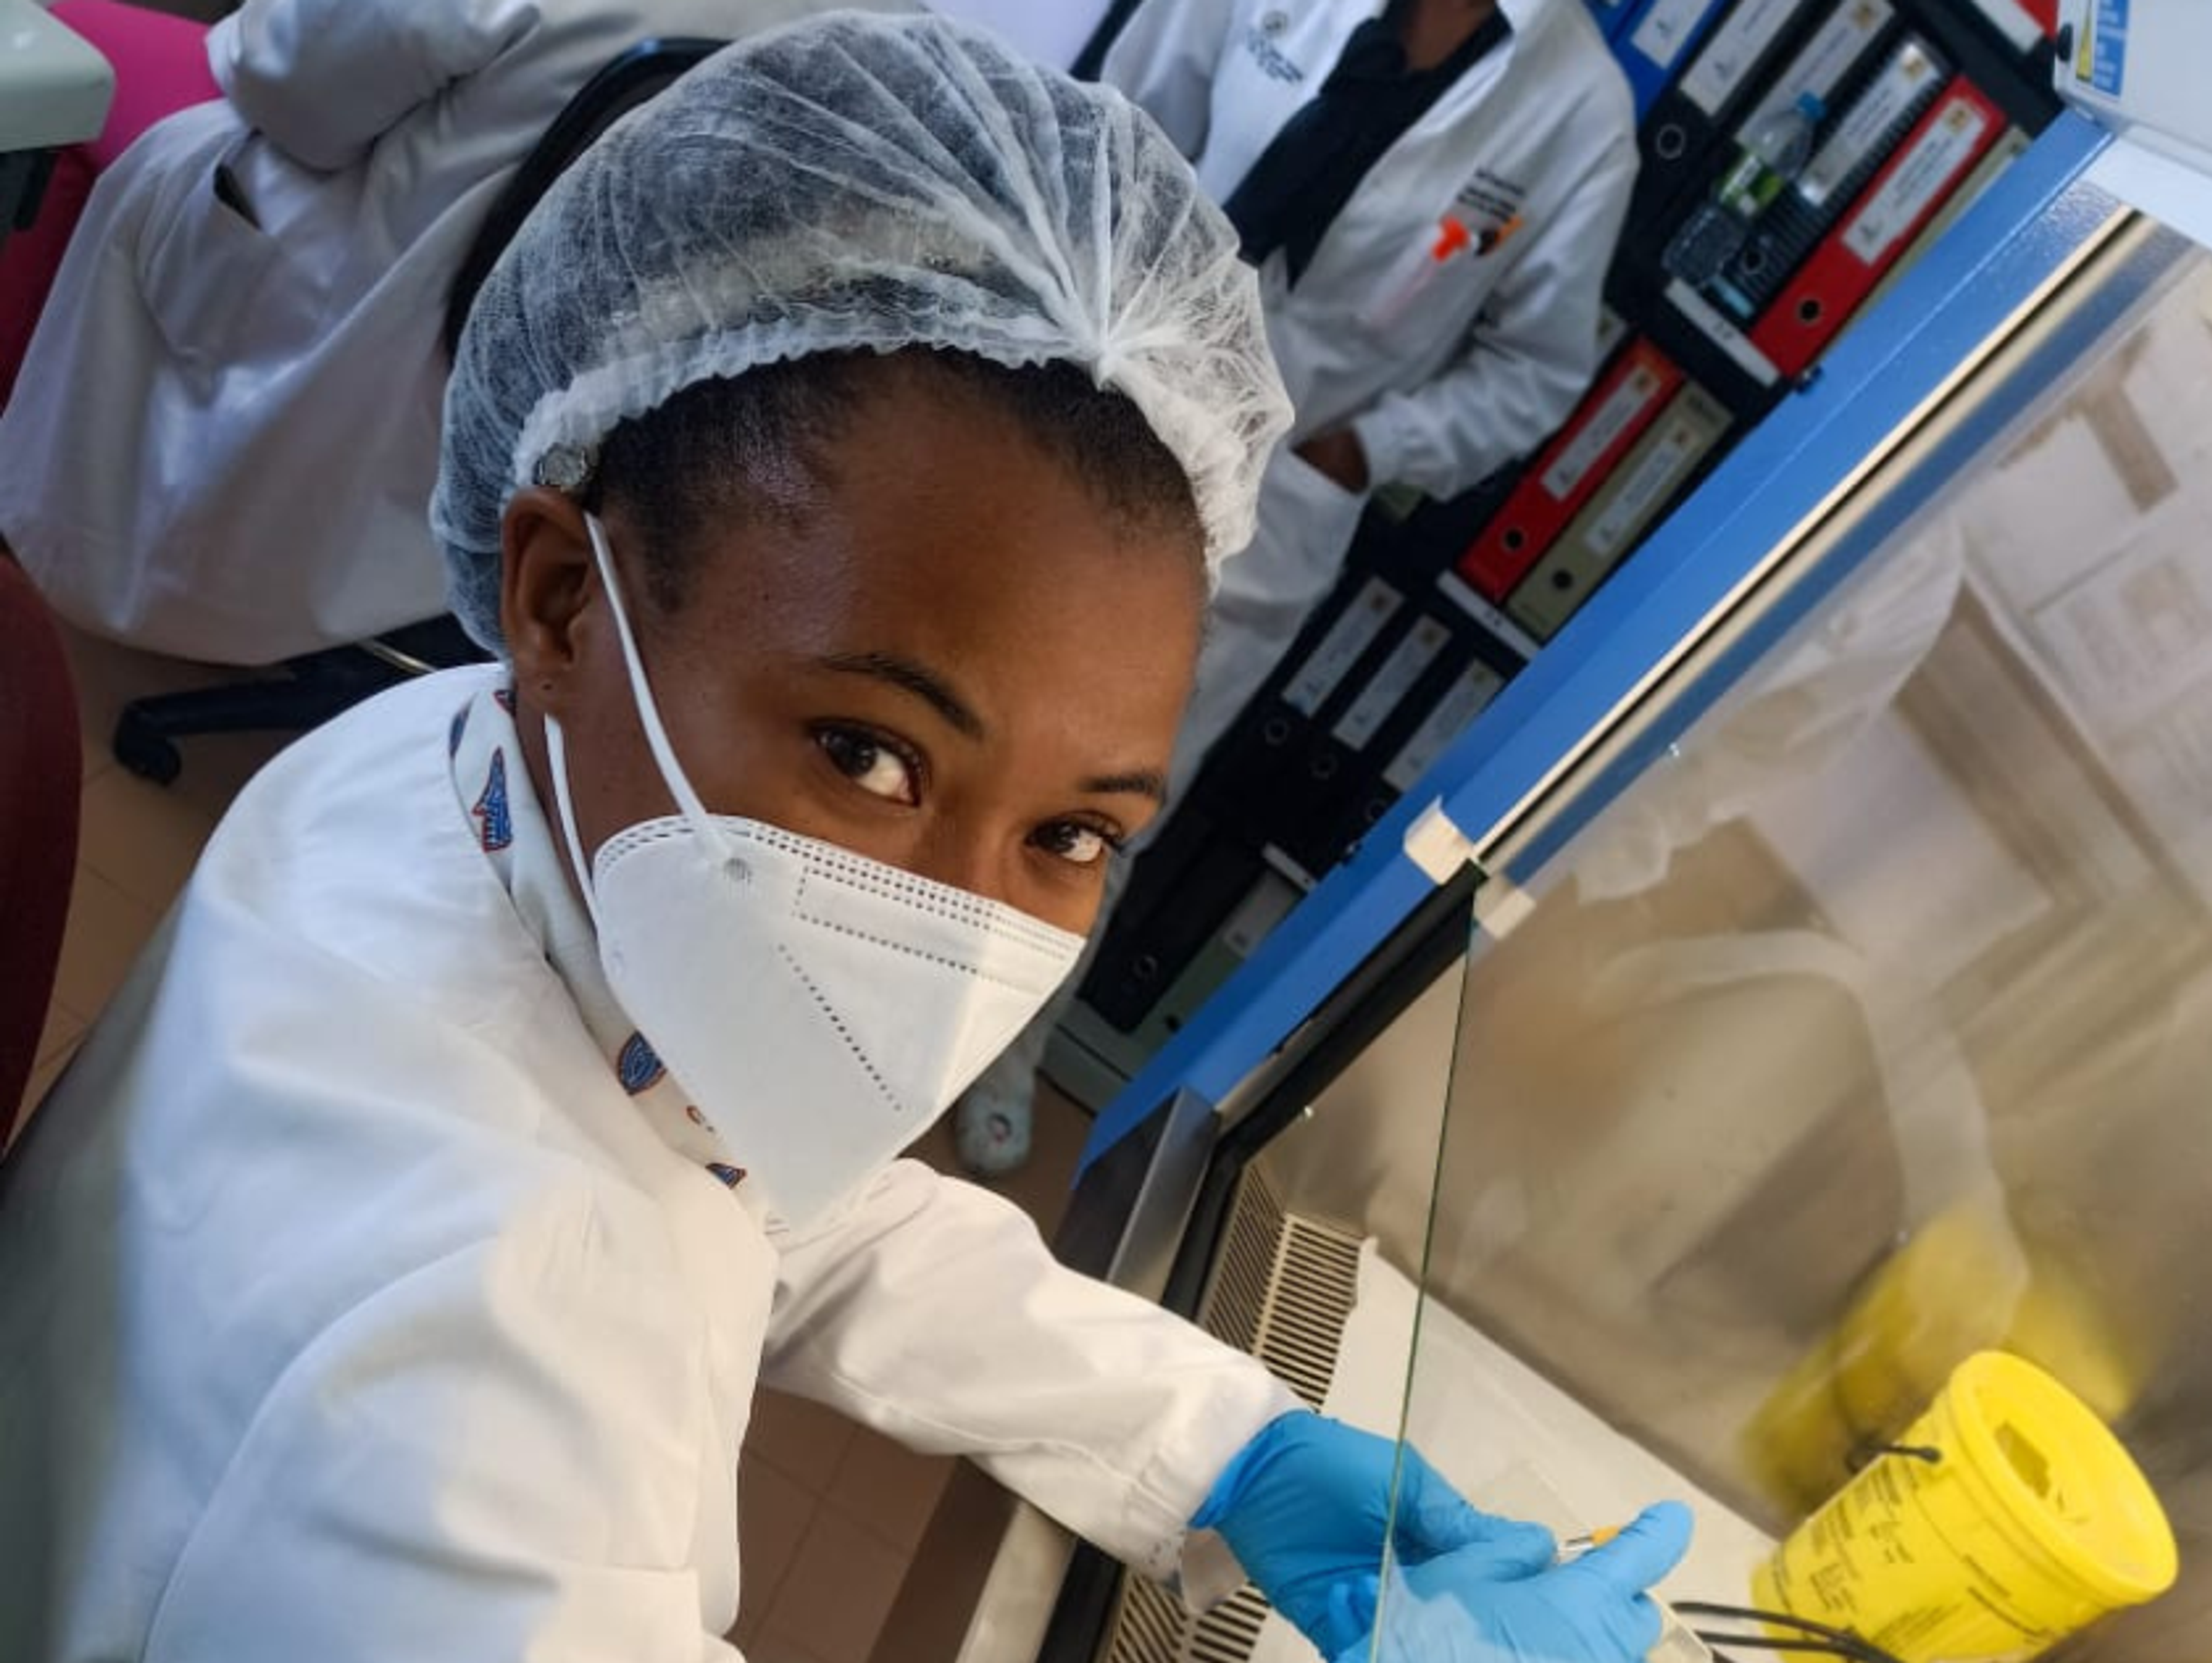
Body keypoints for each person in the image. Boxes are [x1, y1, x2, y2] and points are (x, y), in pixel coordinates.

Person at [0, 15, 1688, 1659]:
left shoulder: (482, 778)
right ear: (562, 594)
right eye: (871, 756)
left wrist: (1226, 1446)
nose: (954, 931)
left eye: (1073, 834)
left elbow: (774, 1188)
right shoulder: (468, 1415)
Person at [954, 0, 1640, 1174]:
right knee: (952, 666)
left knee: (1118, 787)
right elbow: (1120, 117)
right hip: (1097, 368)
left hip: (1278, 480)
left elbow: (1535, 370)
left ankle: (1002, 1040)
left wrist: (1365, 451)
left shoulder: (1582, 114)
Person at [0, 0, 912, 667]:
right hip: (607, 414)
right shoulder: (904, 45)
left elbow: (294, 96)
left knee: (85, 46)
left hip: (368, 331)